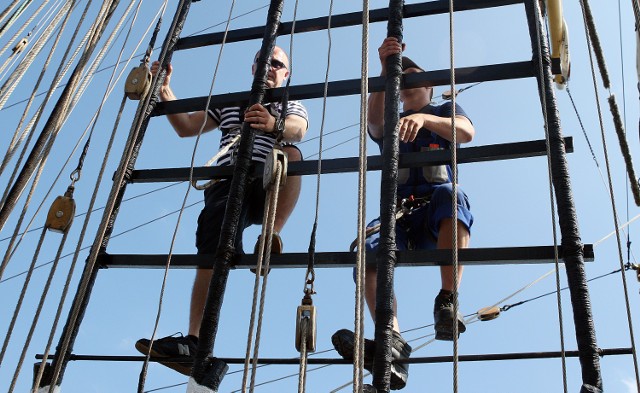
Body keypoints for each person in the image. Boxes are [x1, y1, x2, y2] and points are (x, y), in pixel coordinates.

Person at [135, 46, 309, 376]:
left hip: (267, 182)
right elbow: (187, 126)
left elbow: (298, 128)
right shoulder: (230, 102)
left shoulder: (289, 102)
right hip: (226, 185)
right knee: (212, 250)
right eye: (264, 61)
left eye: (278, 64)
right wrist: (164, 88)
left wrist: (274, 123)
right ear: (253, 66)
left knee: (293, 154)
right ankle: (194, 341)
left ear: (286, 74)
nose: (270, 67)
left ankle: (271, 234)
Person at [332, 37, 475, 390]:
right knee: (370, 243)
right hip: (399, 216)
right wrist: (385, 70)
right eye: (402, 80)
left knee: (451, 194)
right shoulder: (391, 120)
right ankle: (390, 338)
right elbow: (375, 124)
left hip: (434, 215)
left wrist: (426, 119)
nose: (407, 82)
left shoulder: (445, 112)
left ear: (430, 86)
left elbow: (467, 133)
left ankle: (447, 299)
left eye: (413, 77)